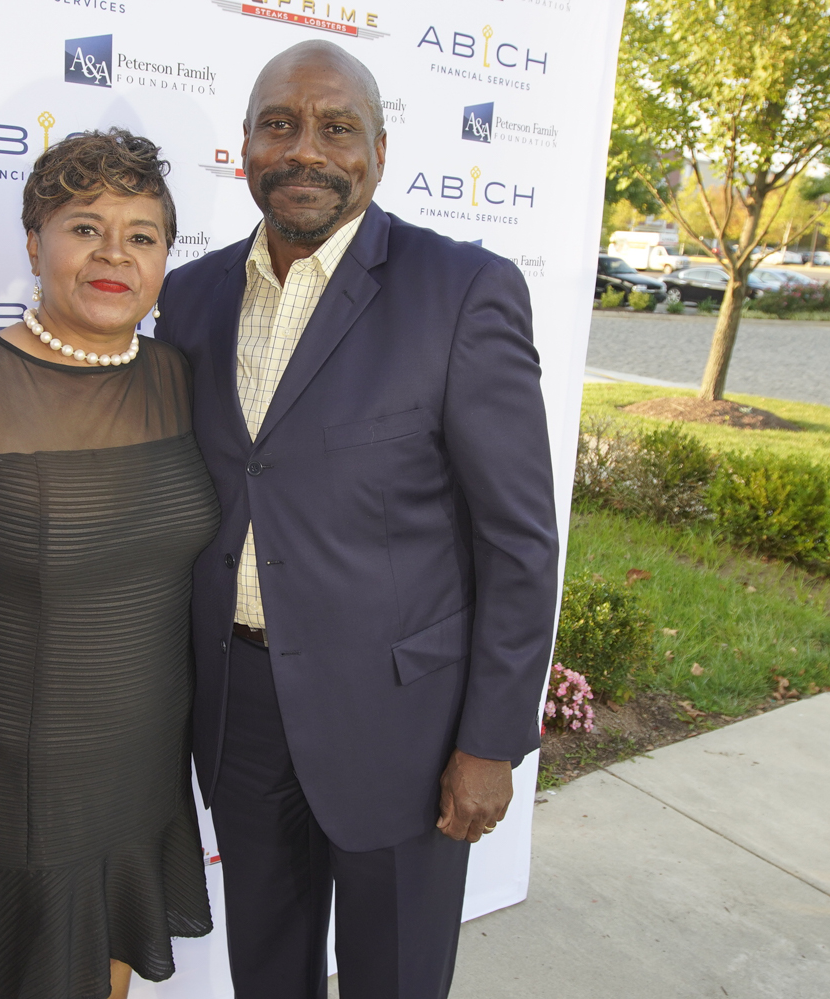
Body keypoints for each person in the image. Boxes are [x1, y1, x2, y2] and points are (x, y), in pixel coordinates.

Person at [154, 41, 559, 999]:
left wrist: (490, 740)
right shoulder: (190, 296)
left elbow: (517, 539)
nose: (306, 149)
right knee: (266, 970)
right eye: (279, 125)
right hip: (240, 709)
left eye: (336, 127)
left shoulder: (459, 290)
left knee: (395, 977)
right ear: (244, 146)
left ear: (379, 151)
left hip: (403, 725)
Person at [0, 128, 217, 999]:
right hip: (18, 788)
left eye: (141, 235)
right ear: (33, 243)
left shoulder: (182, 379)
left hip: (142, 773)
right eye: (84, 227)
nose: (114, 254)